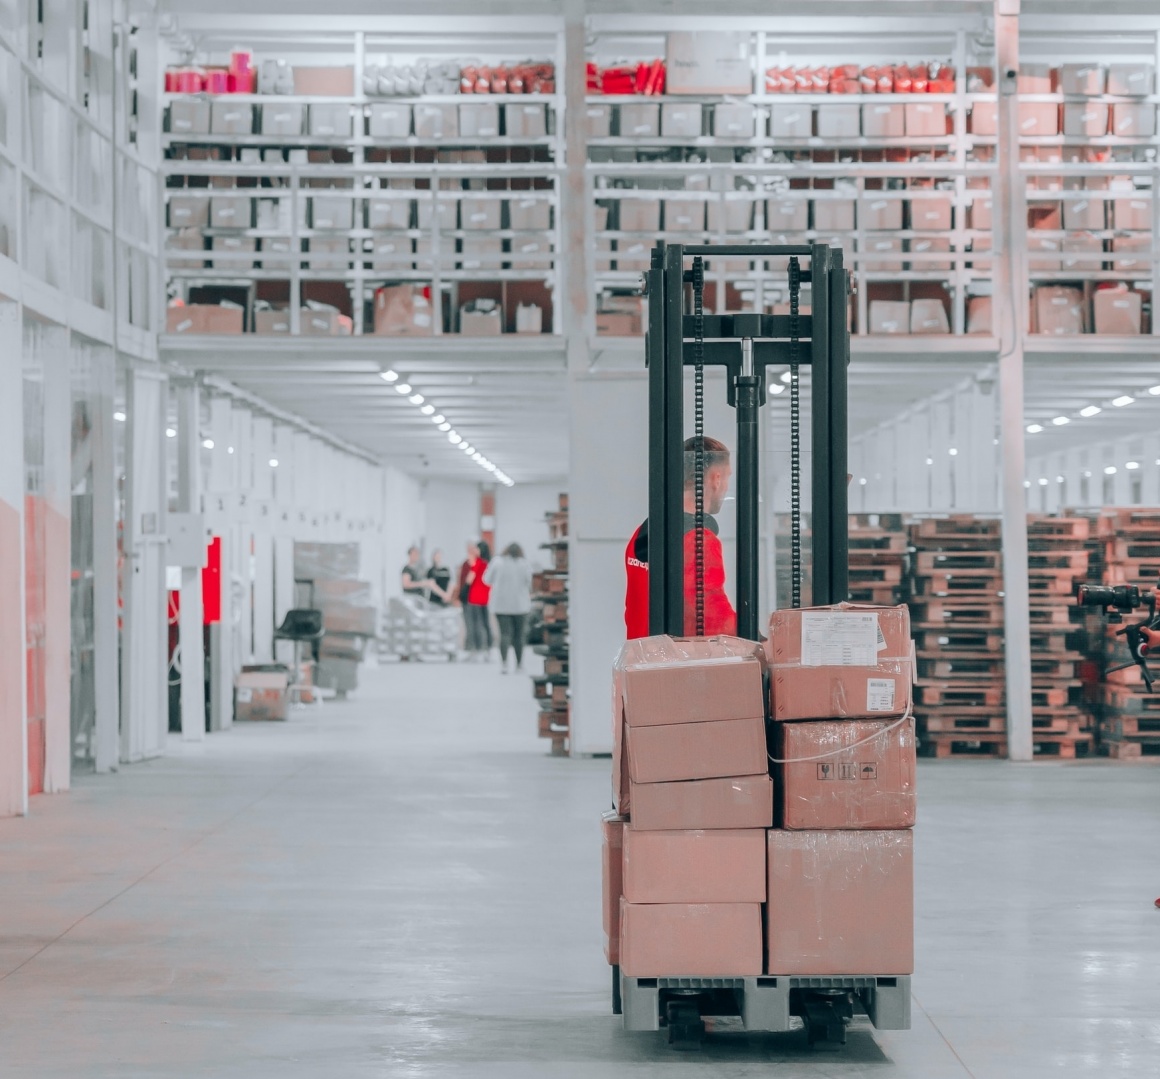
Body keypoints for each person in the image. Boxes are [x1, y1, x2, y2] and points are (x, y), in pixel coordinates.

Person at [624, 435, 736, 639]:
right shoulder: (698, 540)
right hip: (674, 665)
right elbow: (712, 617)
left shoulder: (643, 534)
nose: (727, 486)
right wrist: (759, 637)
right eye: (728, 476)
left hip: (643, 662)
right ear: (716, 479)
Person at [484, 543, 533, 673]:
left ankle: (504, 664)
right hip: (520, 605)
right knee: (519, 635)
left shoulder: (497, 562)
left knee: (504, 634)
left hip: (501, 605)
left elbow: (487, 579)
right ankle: (519, 664)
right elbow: (530, 582)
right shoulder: (524, 564)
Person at [464, 540, 494, 660]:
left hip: (475, 597)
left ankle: (477, 650)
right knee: (486, 624)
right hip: (486, 597)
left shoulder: (478, 562)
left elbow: (469, 580)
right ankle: (488, 649)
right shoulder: (490, 563)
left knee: (476, 624)